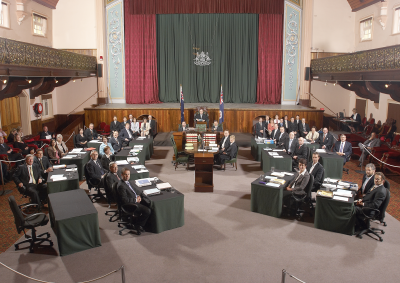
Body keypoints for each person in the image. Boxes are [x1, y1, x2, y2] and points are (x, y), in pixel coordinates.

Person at [117, 168, 151, 235]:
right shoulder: (121, 186)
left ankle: (141, 222)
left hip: (134, 199)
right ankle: (138, 225)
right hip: (130, 204)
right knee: (148, 211)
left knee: (147, 202)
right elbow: (125, 200)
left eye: (128, 174)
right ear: (121, 175)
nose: (127, 176)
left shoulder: (127, 182)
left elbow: (134, 190)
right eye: (125, 174)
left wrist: (140, 195)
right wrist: (136, 199)